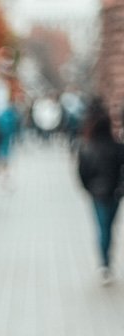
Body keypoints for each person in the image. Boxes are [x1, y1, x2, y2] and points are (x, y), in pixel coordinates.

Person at [76, 103, 124, 284]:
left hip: (98, 195)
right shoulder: (118, 147)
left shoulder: (87, 148)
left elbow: (82, 173)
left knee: (102, 227)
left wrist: (89, 189)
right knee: (110, 227)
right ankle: (106, 262)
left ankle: (104, 263)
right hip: (114, 194)